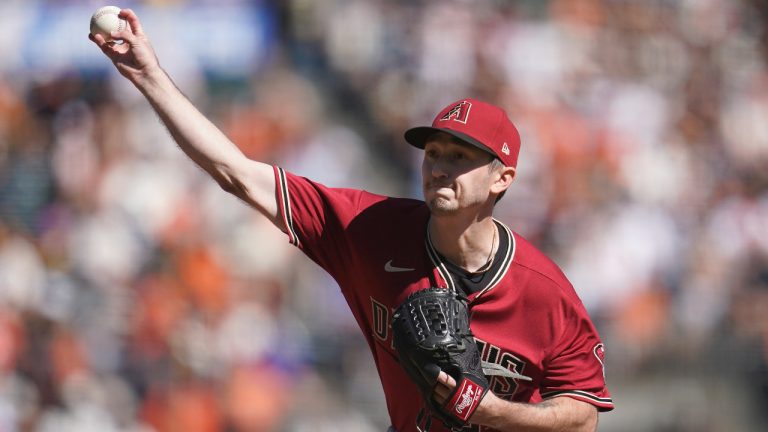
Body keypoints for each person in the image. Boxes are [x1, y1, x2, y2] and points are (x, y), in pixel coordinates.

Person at [90, 9, 613, 432]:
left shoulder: (545, 291)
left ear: (502, 179)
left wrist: (495, 413)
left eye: (460, 157)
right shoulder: (370, 229)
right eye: (433, 152)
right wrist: (148, 75)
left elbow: (582, 416)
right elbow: (237, 173)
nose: (439, 168)